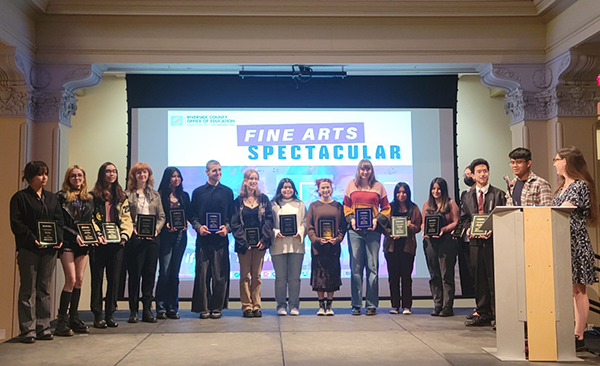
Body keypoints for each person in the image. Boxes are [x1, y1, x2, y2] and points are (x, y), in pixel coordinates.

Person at [10, 161, 64, 343]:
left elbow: (59, 220)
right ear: (30, 176)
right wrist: (33, 239)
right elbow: (17, 224)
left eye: (46, 174)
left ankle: (44, 326)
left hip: (49, 250)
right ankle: (28, 329)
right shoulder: (20, 198)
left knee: (44, 288)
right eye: (40, 174)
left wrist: (58, 239)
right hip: (29, 249)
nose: (44, 178)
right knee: (28, 289)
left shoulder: (51, 198)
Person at [552, 146, 599, 351]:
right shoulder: (562, 185)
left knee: (579, 288)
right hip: (562, 239)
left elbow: (565, 209)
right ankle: (571, 330)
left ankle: (579, 334)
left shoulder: (579, 185)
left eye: (557, 159)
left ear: (566, 161)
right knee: (570, 289)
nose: (554, 163)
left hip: (575, 242)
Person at [462, 158, 506, 327]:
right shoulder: (467, 196)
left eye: (485, 171)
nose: (482, 174)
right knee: (479, 278)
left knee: (494, 277)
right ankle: (483, 312)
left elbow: (503, 217)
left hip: (493, 242)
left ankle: (498, 314)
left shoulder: (499, 194)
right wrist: (467, 229)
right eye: (479, 171)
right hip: (474, 243)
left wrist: (493, 229)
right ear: (473, 175)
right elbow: (465, 218)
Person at [343, 159, 390, 316]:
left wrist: (377, 220)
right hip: (355, 231)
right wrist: (352, 220)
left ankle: (371, 305)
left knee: (372, 268)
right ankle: (356, 304)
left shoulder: (379, 187)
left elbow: (387, 208)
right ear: (358, 170)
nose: (365, 172)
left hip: (373, 232)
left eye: (368, 169)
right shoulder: (351, 185)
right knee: (355, 269)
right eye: (362, 169)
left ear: (371, 171)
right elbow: (346, 206)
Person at [90, 162, 133, 329]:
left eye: (114, 171)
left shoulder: (121, 196)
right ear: (102, 174)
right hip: (99, 243)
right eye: (108, 171)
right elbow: (90, 218)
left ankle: (109, 314)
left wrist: (124, 235)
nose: (112, 174)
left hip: (117, 243)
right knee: (97, 279)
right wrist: (97, 234)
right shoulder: (93, 196)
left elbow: (127, 219)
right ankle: (97, 315)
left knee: (114, 279)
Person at [190, 160, 234, 319]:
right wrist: (198, 227)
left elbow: (232, 215)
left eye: (220, 170)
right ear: (207, 172)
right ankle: (203, 308)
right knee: (202, 274)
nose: (218, 173)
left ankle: (217, 307)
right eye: (214, 170)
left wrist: (227, 228)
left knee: (219, 274)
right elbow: (192, 215)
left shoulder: (227, 192)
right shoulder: (198, 192)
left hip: (221, 240)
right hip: (203, 239)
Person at [55, 165, 95, 336]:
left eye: (80, 175)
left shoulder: (90, 198)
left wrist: (96, 234)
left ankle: (74, 318)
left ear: (84, 178)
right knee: (70, 279)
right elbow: (59, 222)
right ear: (68, 178)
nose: (77, 178)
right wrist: (73, 234)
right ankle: (61, 321)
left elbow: (89, 221)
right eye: (73, 176)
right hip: (67, 242)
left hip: (83, 243)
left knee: (79, 280)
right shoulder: (61, 197)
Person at [125, 162, 166, 323]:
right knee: (135, 275)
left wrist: (156, 230)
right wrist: (132, 228)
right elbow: (125, 215)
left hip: (153, 239)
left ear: (149, 175)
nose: (142, 175)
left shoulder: (156, 195)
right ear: (134, 176)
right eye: (139, 172)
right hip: (135, 238)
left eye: (145, 172)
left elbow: (161, 216)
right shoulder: (127, 194)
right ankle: (133, 311)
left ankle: (147, 310)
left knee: (150, 274)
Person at [231, 169, 274, 318]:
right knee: (245, 276)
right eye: (251, 178)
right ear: (245, 180)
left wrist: (264, 239)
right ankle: (246, 306)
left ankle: (256, 305)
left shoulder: (264, 200)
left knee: (257, 276)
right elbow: (235, 223)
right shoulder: (237, 201)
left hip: (260, 244)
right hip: (244, 245)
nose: (253, 181)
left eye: (256, 179)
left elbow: (269, 220)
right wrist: (244, 242)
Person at [307, 179, 346, 316]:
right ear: (318, 190)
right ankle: (320, 306)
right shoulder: (313, 206)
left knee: (332, 276)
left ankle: (329, 306)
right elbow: (309, 226)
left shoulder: (338, 206)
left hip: (333, 247)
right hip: (318, 248)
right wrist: (316, 240)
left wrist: (338, 239)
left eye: (327, 187)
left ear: (331, 189)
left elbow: (342, 226)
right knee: (319, 278)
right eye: (322, 188)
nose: (325, 190)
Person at [155, 167, 190, 320]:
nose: (176, 179)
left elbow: (189, 214)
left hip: (180, 237)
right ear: (167, 178)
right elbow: (158, 216)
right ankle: (161, 307)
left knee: (175, 273)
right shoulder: (160, 196)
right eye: (173, 176)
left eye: (178, 176)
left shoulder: (184, 196)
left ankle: (172, 307)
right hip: (165, 237)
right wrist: (166, 225)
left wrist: (186, 222)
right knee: (164, 272)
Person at [421, 177, 459, 317]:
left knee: (446, 275)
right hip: (430, 243)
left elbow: (457, 222)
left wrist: (444, 229)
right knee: (434, 275)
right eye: (433, 188)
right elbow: (422, 223)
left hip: (446, 242)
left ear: (443, 190)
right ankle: (437, 304)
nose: (436, 191)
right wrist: (425, 230)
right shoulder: (427, 204)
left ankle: (447, 306)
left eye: (438, 189)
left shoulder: (450, 203)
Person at [383, 182, 422, 315]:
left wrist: (409, 226)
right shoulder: (389, 208)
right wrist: (390, 233)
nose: (401, 195)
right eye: (398, 192)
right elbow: (384, 226)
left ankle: (407, 306)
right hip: (392, 247)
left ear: (408, 193)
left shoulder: (414, 208)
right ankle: (394, 305)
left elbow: (418, 227)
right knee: (393, 277)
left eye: (404, 192)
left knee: (406, 277)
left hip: (407, 247)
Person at [271, 178, 307, 316]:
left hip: (296, 245)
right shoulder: (273, 205)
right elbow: (269, 224)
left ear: (294, 189)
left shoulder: (300, 205)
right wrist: (275, 232)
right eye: (284, 187)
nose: (287, 190)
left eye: (290, 187)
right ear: (280, 189)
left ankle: (294, 305)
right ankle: (281, 305)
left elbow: (305, 222)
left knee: (294, 278)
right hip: (278, 246)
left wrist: (300, 232)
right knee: (280, 278)